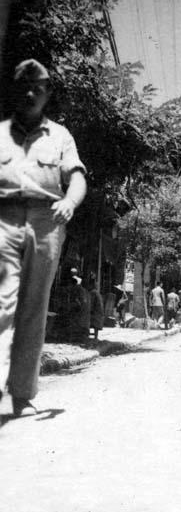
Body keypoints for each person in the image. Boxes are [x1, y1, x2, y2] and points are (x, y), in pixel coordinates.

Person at [0, 59, 87, 416]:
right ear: (14, 89)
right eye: (24, 85)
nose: (31, 92)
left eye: (39, 86)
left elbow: (77, 176)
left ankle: (22, 393)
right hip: (3, 219)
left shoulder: (62, 136)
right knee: (2, 302)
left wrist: (69, 200)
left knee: (34, 307)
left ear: (48, 93)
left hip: (47, 220)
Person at [88, 275, 104, 340]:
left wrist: (90, 310)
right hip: (99, 312)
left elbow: (91, 303)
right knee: (96, 326)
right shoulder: (97, 293)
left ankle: (89, 335)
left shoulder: (93, 293)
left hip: (95, 312)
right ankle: (95, 337)